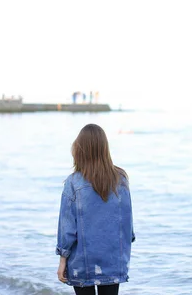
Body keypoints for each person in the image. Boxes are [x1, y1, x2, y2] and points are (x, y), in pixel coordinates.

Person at [56, 124, 135, 295]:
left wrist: (62, 259)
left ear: (80, 149)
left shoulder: (73, 182)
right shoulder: (120, 179)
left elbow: (67, 228)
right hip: (113, 259)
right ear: (104, 149)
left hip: (82, 262)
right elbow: (127, 223)